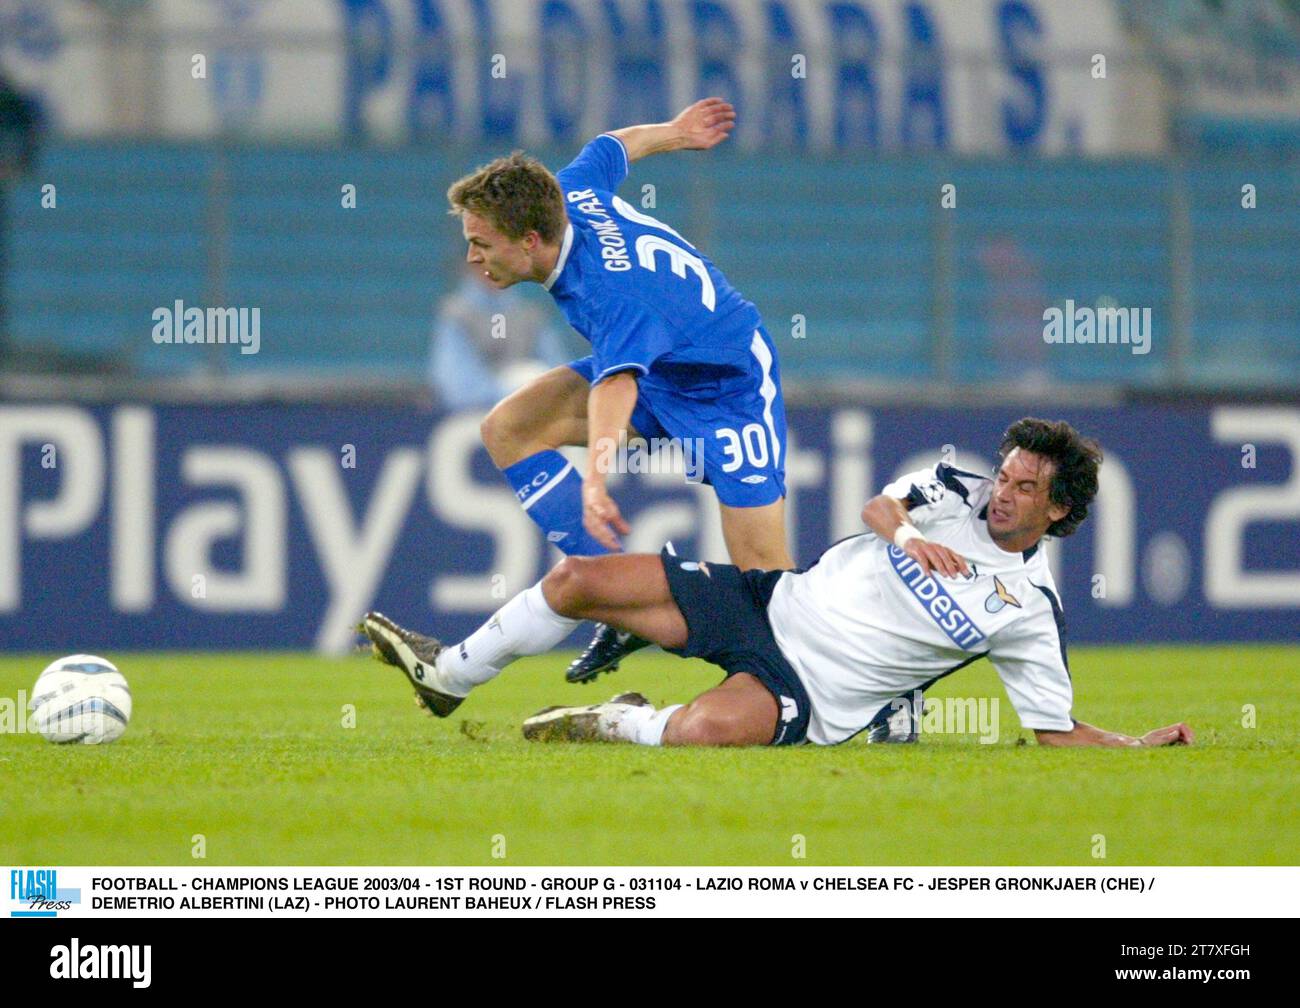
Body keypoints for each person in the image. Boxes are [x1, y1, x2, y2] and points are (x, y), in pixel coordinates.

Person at [359, 417, 1194, 749]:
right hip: (772, 600)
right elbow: (878, 505)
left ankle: (620, 721)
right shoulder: (949, 489)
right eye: (1005, 475)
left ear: (1060, 510)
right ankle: (450, 676)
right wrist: (908, 534)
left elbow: (1052, 732)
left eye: (1023, 488)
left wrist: (1134, 747)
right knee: (580, 578)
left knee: (702, 736)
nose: (1002, 493)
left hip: (812, 690)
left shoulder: (1028, 612)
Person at [444, 96, 795, 687]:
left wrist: (596, 477)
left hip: (728, 384)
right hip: (663, 365)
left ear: (530, 240)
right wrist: (676, 132)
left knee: (772, 585)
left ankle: (888, 692)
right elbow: (614, 145)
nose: (471, 255)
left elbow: (615, 388)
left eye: (481, 242)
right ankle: (619, 599)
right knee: (510, 428)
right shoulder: (566, 191)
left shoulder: (612, 292)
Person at [428, 259, 571, 411]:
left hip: (533, 412)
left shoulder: (530, 315)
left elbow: (560, 373)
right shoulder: (456, 314)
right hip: (474, 415)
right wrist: (508, 392)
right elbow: (457, 389)